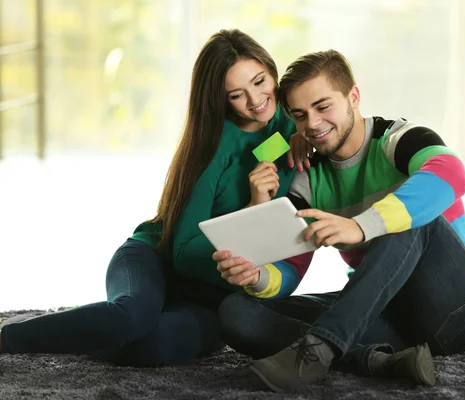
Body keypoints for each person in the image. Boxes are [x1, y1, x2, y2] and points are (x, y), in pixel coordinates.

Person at [0, 29, 311, 367]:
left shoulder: (293, 126)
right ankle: (10, 336)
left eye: (260, 81)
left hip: (215, 299)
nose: (255, 100)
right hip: (156, 260)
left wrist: (300, 132)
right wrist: (253, 209)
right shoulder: (214, 145)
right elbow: (184, 252)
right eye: (237, 94)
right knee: (130, 319)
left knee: (156, 346)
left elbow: (315, 124)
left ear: (271, 69)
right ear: (221, 99)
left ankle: (89, 325)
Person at [215, 49, 465, 392]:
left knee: (412, 219)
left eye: (323, 106)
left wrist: (361, 225)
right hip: (381, 318)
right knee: (236, 312)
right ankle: (377, 360)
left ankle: (320, 351)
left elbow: (452, 172)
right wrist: (257, 276)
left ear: (354, 97)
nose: (313, 124)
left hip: (453, 312)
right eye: (300, 115)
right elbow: (291, 266)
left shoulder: (397, 139)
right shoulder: (308, 180)